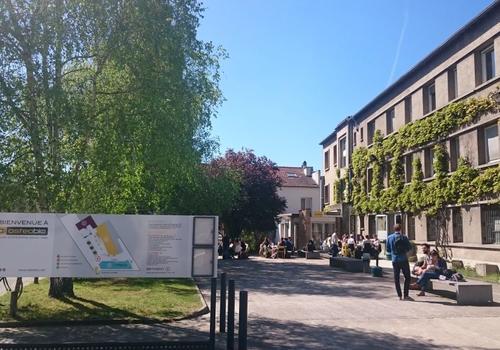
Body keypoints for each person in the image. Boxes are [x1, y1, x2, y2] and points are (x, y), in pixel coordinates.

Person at [386, 224, 412, 300]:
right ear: (400, 229)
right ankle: (406, 295)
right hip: (404, 259)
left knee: (396, 278)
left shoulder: (389, 237)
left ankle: (399, 295)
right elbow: (409, 247)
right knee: (407, 277)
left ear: (393, 229)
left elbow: (388, 250)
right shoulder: (404, 237)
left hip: (395, 260)